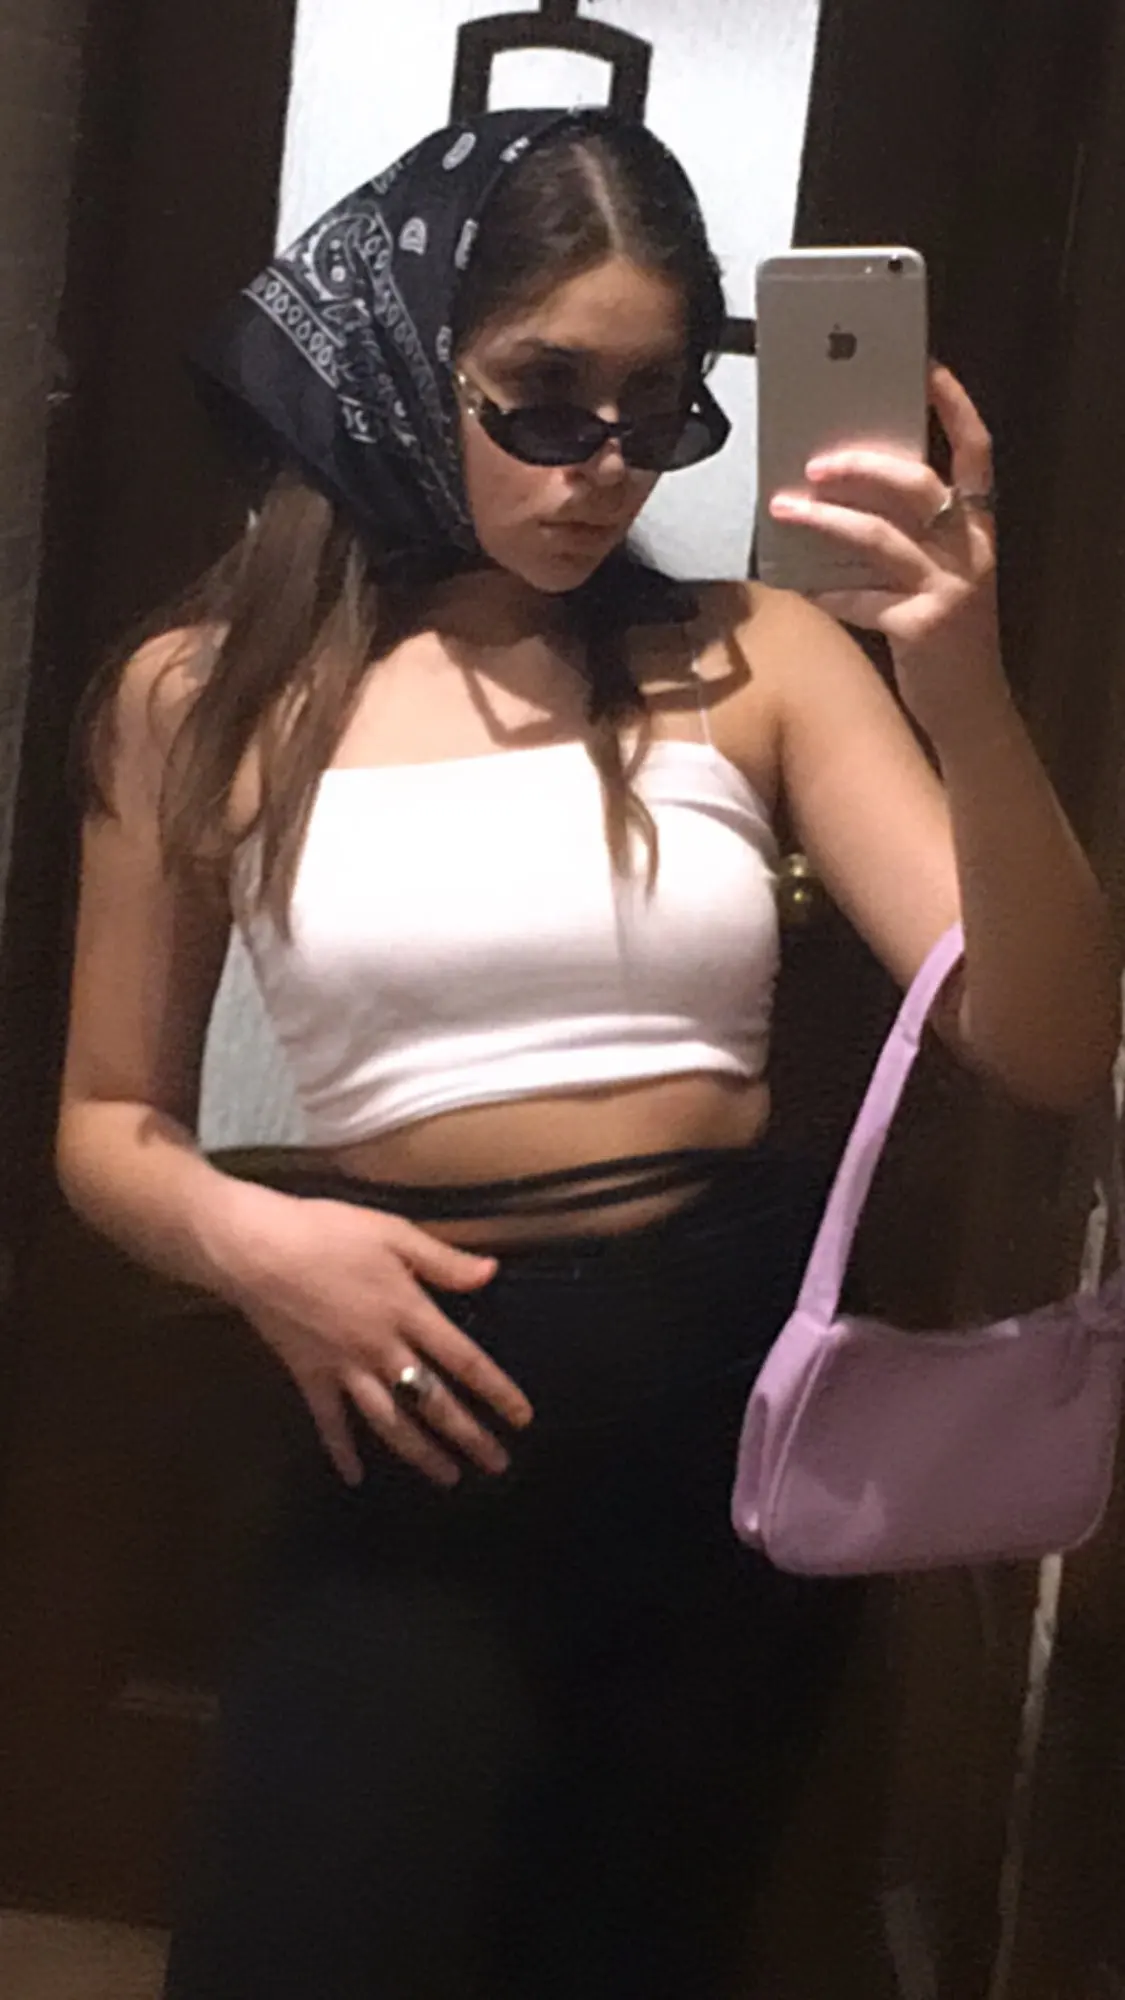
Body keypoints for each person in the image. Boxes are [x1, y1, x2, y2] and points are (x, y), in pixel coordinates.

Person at [57, 107, 1117, 2000]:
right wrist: (254, 1243)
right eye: (545, 400)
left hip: (729, 1428)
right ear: (407, 358)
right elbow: (107, 1121)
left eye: (659, 410)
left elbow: (1049, 1042)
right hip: (409, 1414)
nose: (605, 468)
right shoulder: (201, 695)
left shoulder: (759, 654)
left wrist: (958, 677)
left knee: (634, 1955)